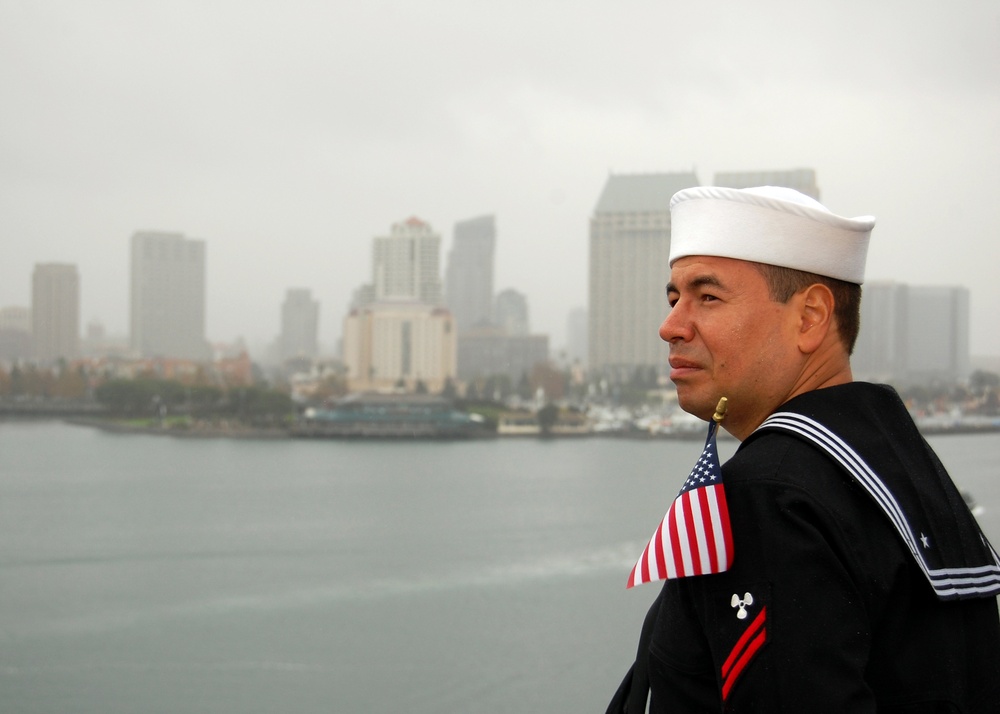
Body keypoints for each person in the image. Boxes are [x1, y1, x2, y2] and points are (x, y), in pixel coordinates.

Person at [628, 186, 1000, 712]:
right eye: (673, 299)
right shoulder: (897, 464)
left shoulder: (772, 495)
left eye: (707, 297)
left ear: (809, 318)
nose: (671, 326)